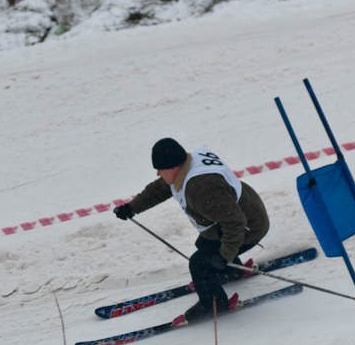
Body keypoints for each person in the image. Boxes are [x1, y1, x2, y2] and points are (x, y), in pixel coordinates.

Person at [113, 137, 270, 321]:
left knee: (200, 264)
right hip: (239, 212)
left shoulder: (202, 188)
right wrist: (132, 208)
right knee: (203, 244)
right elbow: (158, 189)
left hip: (249, 226)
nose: (157, 173)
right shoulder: (185, 167)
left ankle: (214, 305)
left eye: (160, 169)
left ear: (173, 168)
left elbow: (235, 223)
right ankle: (229, 271)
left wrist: (224, 256)